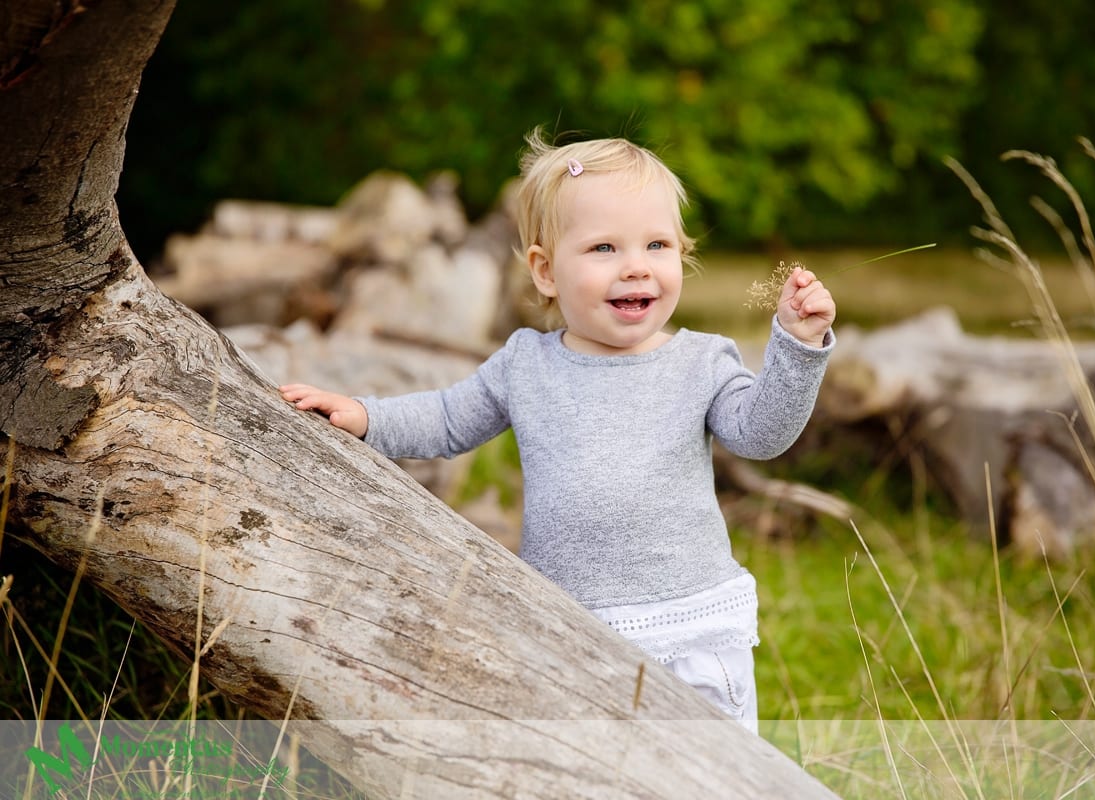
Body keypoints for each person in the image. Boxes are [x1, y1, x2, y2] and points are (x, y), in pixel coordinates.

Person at [280, 129, 836, 732]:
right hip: (567, 631)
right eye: (604, 248)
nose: (636, 267)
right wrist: (367, 416)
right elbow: (447, 418)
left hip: (689, 628)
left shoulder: (700, 361)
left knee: (712, 767)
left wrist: (797, 349)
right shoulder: (526, 364)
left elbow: (761, 435)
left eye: (657, 244)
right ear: (545, 271)